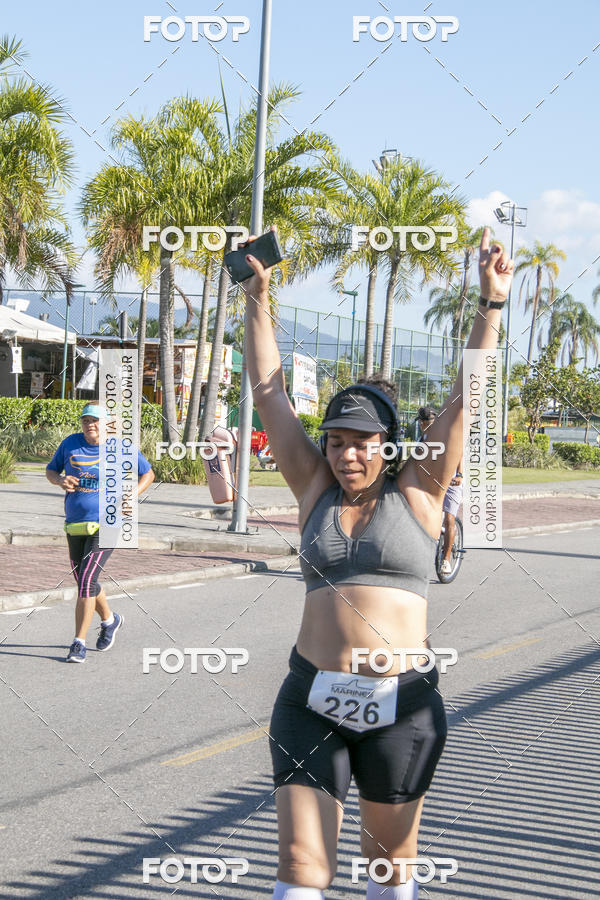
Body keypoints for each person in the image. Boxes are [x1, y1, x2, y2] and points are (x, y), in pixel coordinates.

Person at [241, 227, 513, 899]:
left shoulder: (419, 492)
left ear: (388, 446)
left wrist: (490, 307)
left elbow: (465, 400)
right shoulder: (313, 487)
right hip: (310, 699)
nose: (346, 454)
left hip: (402, 706)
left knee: (388, 866)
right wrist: (257, 299)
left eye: (362, 442)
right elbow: (270, 392)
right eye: (335, 441)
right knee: (304, 866)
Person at [46, 403, 155, 663]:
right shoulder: (70, 444)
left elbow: (148, 473)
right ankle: (110, 620)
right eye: (85, 420)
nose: (89, 425)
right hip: (75, 523)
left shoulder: (121, 448)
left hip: (107, 523)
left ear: (107, 424)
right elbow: (51, 470)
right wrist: (59, 480)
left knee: (85, 582)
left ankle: (78, 643)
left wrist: (131, 495)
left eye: (95, 420)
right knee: (85, 582)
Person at [416, 408, 463, 575]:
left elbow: (458, 452)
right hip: (433, 483)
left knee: (449, 519)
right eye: (421, 422)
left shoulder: (445, 435)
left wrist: (459, 474)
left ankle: (446, 560)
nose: (422, 425)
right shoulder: (423, 439)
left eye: (425, 422)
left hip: (451, 482)